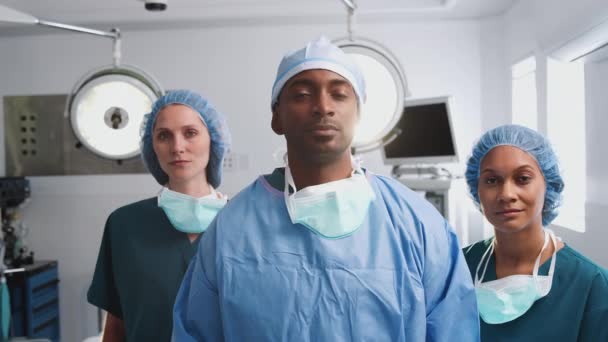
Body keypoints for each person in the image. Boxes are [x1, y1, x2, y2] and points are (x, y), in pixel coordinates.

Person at [172, 36, 479, 341]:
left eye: (340, 94)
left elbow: (454, 330)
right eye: (303, 95)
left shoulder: (417, 224)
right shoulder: (231, 229)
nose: (323, 107)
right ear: (276, 117)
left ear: (359, 113)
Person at [87, 90, 231, 341]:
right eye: (164, 135)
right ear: (152, 146)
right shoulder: (124, 225)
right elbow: (116, 326)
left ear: (213, 139)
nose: (177, 147)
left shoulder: (244, 223)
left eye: (190, 133)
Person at [462, 124, 608, 341]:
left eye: (522, 179)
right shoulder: (458, 267)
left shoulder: (591, 283)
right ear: (477, 189)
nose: (506, 194)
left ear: (548, 185)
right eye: (492, 180)